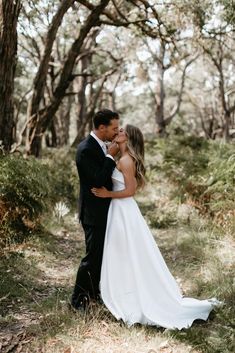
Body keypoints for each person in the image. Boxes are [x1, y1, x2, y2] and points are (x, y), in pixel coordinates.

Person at [91, 125, 220, 330]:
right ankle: (126, 291)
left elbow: (130, 191)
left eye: (122, 131)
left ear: (129, 138)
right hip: (119, 211)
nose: (118, 132)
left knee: (128, 252)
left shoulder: (126, 161)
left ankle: (132, 297)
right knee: (124, 253)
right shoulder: (121, 158)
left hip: (123, 209)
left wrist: (108, 194)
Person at [71, 109, 120, 311]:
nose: (116, 132)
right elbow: (97, 181)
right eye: (114, 128)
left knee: (100, 256)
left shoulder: (101, 146)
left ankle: (94, 294)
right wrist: (110, 157)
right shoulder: (85, 149)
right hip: (93, 213)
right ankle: (78, 300)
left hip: (104, 210)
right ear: (102, 128)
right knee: (92, 257)